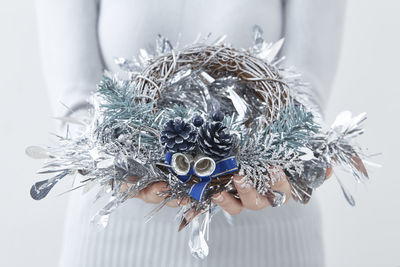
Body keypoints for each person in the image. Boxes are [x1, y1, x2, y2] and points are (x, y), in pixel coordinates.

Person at [35, 0, 345, 266]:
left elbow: (303, 103)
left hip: (268, 242)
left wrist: (282, 163)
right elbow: (75, 107)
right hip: (115, 238)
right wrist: (124, 161)